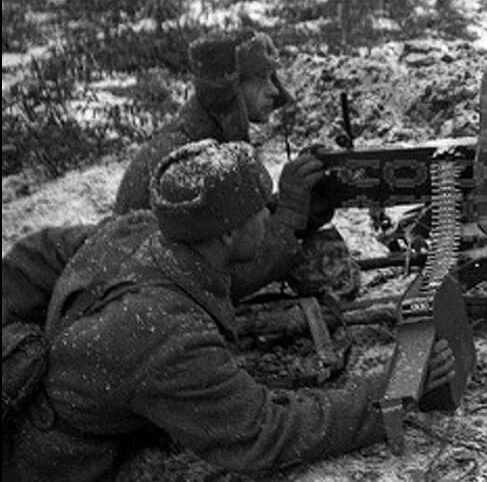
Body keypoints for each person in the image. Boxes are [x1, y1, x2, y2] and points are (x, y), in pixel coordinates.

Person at [3, 139, 455, 481]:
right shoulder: (162, 335)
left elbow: (36, 253)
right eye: (261, 208)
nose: (268, 214)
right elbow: (263, 433)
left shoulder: (138, 232)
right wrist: (389, 389)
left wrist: (299, 213)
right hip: (63, 467)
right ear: (225, 234)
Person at [112, 30, 354, 301]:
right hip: (152, 299)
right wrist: (287, 214)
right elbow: (216, 276)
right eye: (261, 79)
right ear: (231, 90)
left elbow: (229, 228)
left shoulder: (208, 140)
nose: (274, 90)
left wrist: (305, 203)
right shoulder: (189, 160)